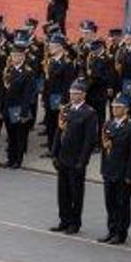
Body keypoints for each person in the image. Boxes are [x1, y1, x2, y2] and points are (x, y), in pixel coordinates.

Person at [98, 94, 131, 245]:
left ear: (126, 109)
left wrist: (130, 175)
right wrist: (103, 169)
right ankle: (111, 230)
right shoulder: (108, 125)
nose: (114, 110)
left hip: (123, 173)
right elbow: (106, 151)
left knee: (122, 204)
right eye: (113, 107)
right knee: (110, 203)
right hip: (109, 171)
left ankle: (121, 232)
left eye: (118, 107)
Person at [51, 79, 96, 234]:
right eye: (71, 93)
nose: (73, 96)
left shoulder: (89, 113)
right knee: (62, 192)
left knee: (76, 193)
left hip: (76, 158)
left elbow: (89, 140)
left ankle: (75, 223)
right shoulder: (66, 109)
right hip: (63, 156)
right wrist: (54, 153)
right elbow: (59, 132)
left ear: (84, 95)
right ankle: (64, 220)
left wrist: (83, 161)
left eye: (77, 93)